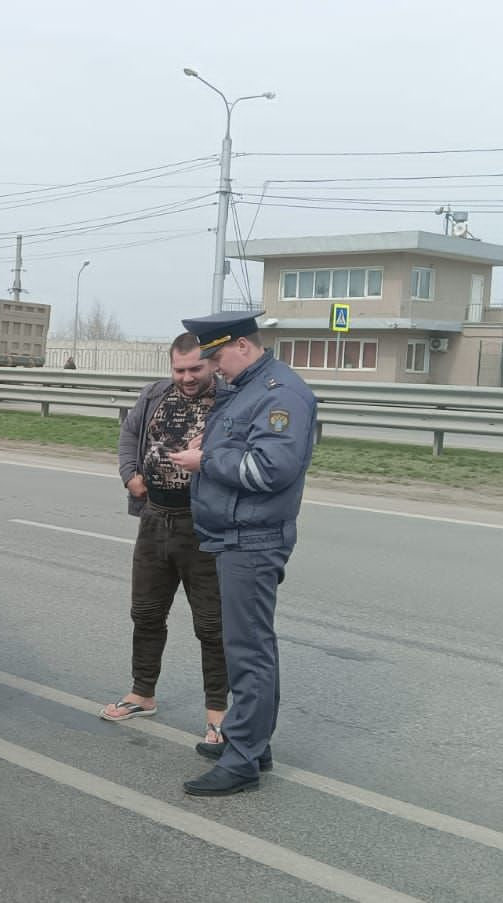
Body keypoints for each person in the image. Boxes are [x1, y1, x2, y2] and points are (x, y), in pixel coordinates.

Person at [170, 311, 317, 797]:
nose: (212, 368)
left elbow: (270, 469)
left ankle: (242, 761)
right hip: (236, 534)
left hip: (252, 538)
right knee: (250, 645)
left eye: (215, 358)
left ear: (242, 347)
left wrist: (205, 460)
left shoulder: (280, 394)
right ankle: (252, 741)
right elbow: (242, 441)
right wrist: (208, 442)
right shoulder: (251, 388)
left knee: (248, 650)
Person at [99, 333, 227, 744]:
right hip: (155, 519)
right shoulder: (154, 395)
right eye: (179, 369)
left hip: (203, 526)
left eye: (195, 369)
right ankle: (142, 693)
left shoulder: (230, 401)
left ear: (211, 364)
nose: (187, 377)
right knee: (147, 614)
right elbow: (127, 436)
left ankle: (217, 715)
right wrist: (129, 476)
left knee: (212, 624)